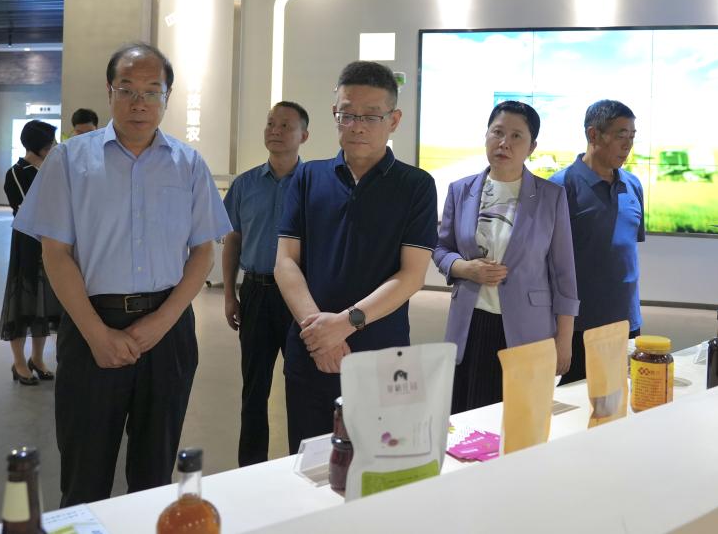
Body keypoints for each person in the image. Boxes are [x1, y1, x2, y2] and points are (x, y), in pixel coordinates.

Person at [13, 42, 231, 506]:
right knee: (84, 477)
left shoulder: (189, 164)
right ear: (110, 91)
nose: (139, 102)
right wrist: (96, 334)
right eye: (127, 89)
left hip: (168, 332)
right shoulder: (70, 160)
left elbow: (202, 254)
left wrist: (161, 323)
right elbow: (56, 254)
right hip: (92, 326)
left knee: (154, 475)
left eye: (153, 91)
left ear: (167, 97)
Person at [275, 60, 437, 453]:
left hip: (380, 355)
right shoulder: (308, 177)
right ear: (335, 114)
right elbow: (285, 262)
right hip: (311, 350)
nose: (357, 126)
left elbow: (411, 275)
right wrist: (320, 334)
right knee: (310, 461)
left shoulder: (416, 186)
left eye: (371, 116)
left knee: (376, 462)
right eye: (347, 114)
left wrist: (345, 324)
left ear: (394, 120)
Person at [433, 101, 578, 413]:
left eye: (516, 136)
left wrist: (564, 339)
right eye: (497, 132)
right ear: (486, 135)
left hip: (528, 327)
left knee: (522, 418)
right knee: (469, 417)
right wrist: (464, 268)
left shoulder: (551, 197)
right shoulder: (460, 190)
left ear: (532, 147)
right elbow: (442, 249)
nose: (504, 143)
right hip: (471, 323)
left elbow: (564, 275)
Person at [222, 100, 310, 466]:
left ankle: (301, 466)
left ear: (304, 135)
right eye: (271, 123)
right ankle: (250, 468)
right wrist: (230, 293)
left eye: (286, 125)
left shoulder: (314, 183)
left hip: (299, 297)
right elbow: (233, 240)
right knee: (254, 388)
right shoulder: (244, 185)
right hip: (255, 292)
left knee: (302, 386)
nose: (275, 130)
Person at [550, 99, 645, 385]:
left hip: (627, 322)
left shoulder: (633, 185)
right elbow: (545, 262)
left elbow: (626, 250)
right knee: (576, 402)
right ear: (593, 134)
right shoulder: (560, 186)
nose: (627, 145)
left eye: (632, 137)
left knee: (621, 397)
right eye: (620, 135)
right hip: (579, 326)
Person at [0, 119, 61, 385]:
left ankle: (37, 358)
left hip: (52, 241)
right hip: (27, 243)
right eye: (51, 142)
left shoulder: (52, 171)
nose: (56, 146)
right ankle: (19, 362)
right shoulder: (17, 172)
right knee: (23, 301)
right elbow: (29, 209)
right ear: (39, 146)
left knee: (43, 302)